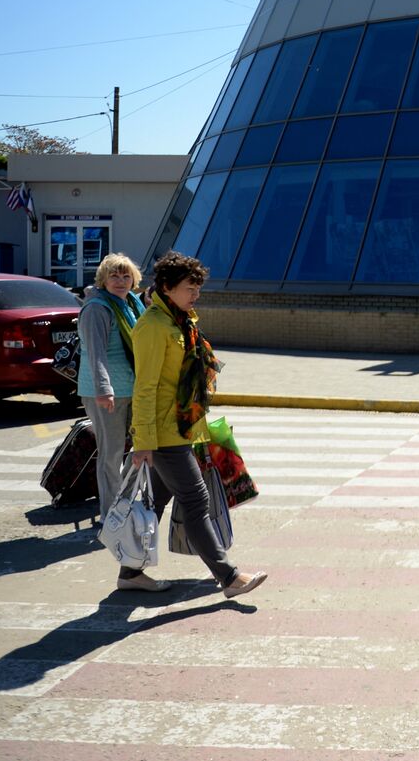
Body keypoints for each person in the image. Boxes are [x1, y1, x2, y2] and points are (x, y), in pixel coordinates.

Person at [130, 251, 267, 598]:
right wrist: (142, 440)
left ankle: (129, 572)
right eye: (190, 288)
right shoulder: (152, 327)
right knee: (195, 500)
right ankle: (229, 576)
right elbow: (144, 387)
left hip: (181, 426)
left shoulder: (180, 321)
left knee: (156, 502)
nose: (196, 295)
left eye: (197, 288)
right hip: (162, 432)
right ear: (167, 287)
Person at [78, 254, 152, 567]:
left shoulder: (132, 303)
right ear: (103, 280)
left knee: (140, 450)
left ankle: (123, 502)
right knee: (109, 454)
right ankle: (110, 516)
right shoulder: (98, 308)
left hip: (132, 389)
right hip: (106, 393)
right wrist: (103, 389)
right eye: (114, 277)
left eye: (125, 276)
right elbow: (95, 354)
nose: (120, 282)